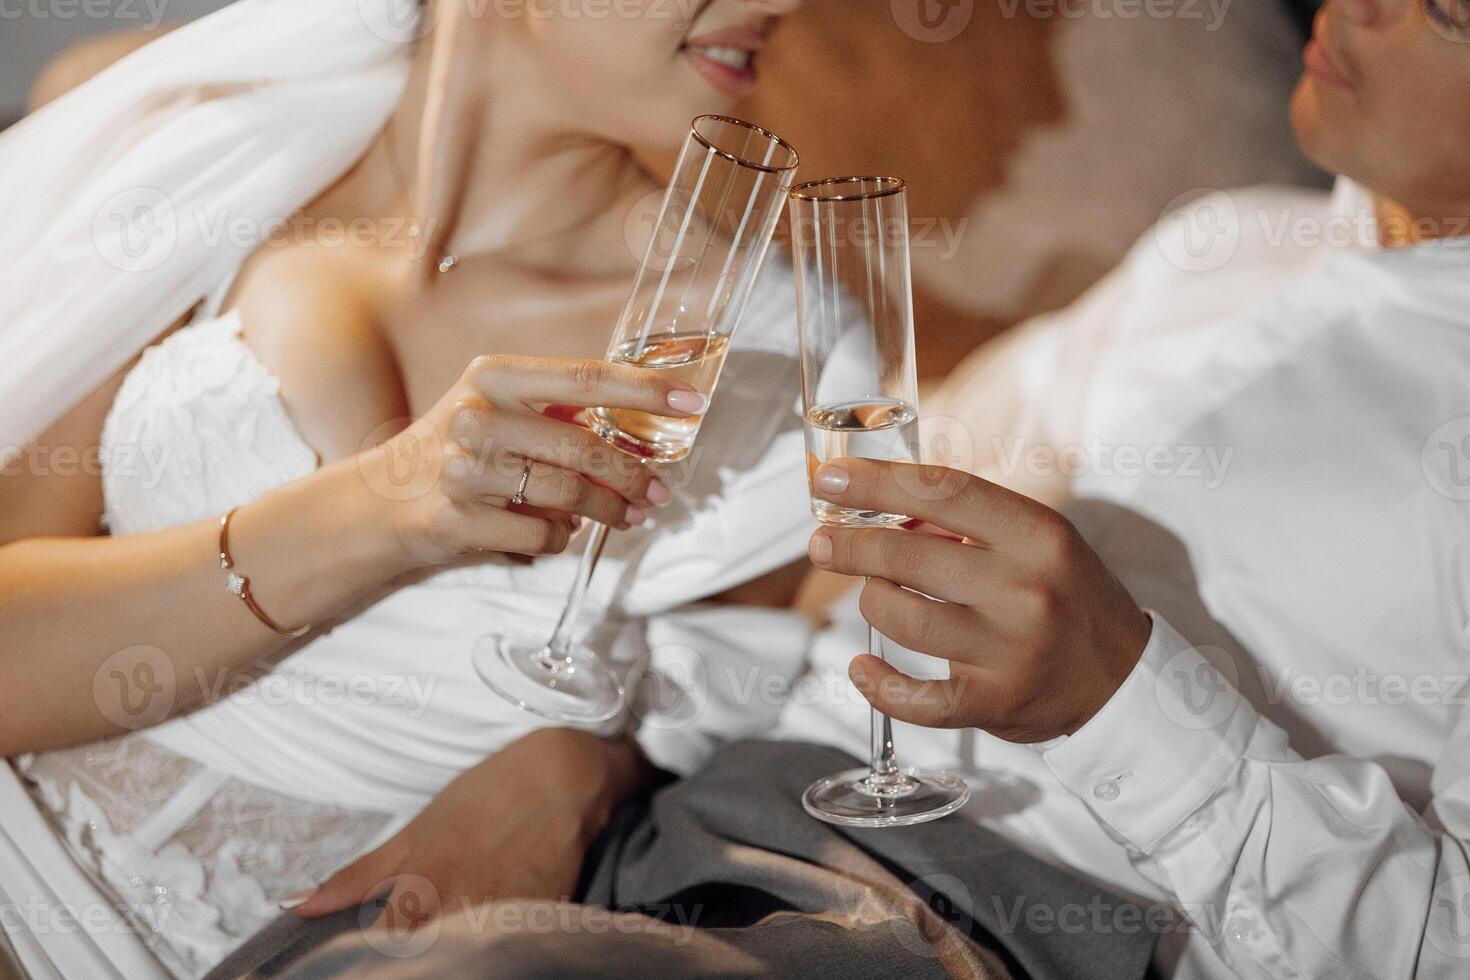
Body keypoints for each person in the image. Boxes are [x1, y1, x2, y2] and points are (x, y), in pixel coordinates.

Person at [278, 1, 1470, 978]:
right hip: (723, 803)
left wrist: (1120, 693)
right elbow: (875, 505)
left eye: (1449, 14)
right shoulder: (1228, 242)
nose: (1365, 6)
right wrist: (584, 762)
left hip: (983, 913)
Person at [0, 0, 815, 976]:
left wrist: (587, 766)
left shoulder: (774, 352)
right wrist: (384, 508)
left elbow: (718, 699)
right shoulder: (202, 147)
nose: (783, 3)